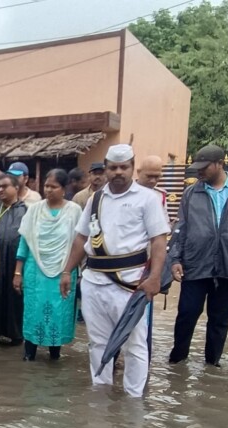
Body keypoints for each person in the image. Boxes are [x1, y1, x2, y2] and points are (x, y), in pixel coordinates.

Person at [60, 144, 169, 397]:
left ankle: (133, 399)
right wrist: (67, 271)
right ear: (106, 169)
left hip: (131, 285)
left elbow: (159, 241)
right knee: (97, 342)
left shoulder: (147, 199)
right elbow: (80, 238)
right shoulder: (96, 199)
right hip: (94, 282)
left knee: (135, 345)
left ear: (132, 167)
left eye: (124, 167)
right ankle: (101, 393)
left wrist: (154, 279)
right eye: (113, 167)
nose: (118, 172)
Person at [168, 145, 228, 367]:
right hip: (195, 263)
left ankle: (212, 364)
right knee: (187, 313)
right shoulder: (191, 193)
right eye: (197, 167)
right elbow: (181, 229)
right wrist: (175, 259)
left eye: (204, 167)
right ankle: (177, 360)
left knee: (220, 318)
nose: (198, 172)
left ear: (220, 164)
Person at [15, 168, 81, 361]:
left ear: (64, 188)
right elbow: (25, 241)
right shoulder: (34, 209)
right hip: (34, 270)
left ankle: (55, 355)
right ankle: (29, 355)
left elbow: (79, 243)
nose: (48, 190)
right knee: (33, 311)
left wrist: (74, 269)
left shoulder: (74, 211)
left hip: (64, 270)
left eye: (54, 186)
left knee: (58, 313)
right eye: (46, 186)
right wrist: (18, 272)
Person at [0, 172, 28, 345]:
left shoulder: (26, 211)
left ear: (16, 188)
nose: (0, 189)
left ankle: (16, 335)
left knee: (15, 299)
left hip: (16, 264)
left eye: (5, 186)